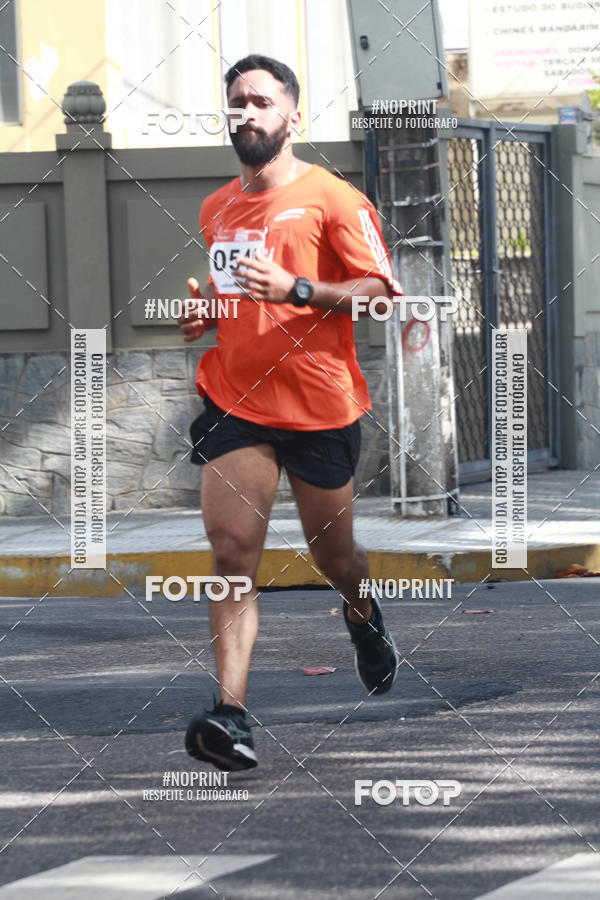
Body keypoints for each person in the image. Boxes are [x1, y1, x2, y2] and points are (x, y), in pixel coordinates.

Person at [178, 54, 402, 772]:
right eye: (237, 102)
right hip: (234, 403)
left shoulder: (335, 199)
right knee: (231, 556)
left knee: (334, 559)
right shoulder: (216, 208)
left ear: (291, 116)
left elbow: (379, 294)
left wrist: (299, 289)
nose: (248, 113)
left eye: (262, 102)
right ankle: (231, 714)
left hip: (318, 406)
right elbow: (232, 303)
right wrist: (201, 316)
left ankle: (363, 617)